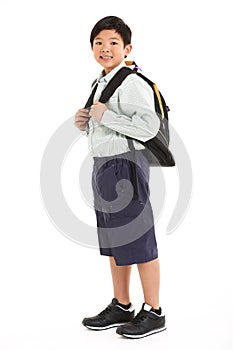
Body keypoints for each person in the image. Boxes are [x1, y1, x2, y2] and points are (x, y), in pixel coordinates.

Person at [74, 16, 166, 339]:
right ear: (92, 48)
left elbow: (149, 126)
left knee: (139, 239)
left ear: (127, 48)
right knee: (115, 242)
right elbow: (107, 123)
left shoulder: (132, 82)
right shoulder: (99, 82)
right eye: (98, 43)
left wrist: (107, 115)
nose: (105, 48)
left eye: (113, 42)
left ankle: (154, 311)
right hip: (103, 167)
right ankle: (122, 304)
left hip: (126, 165)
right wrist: (85, 121)